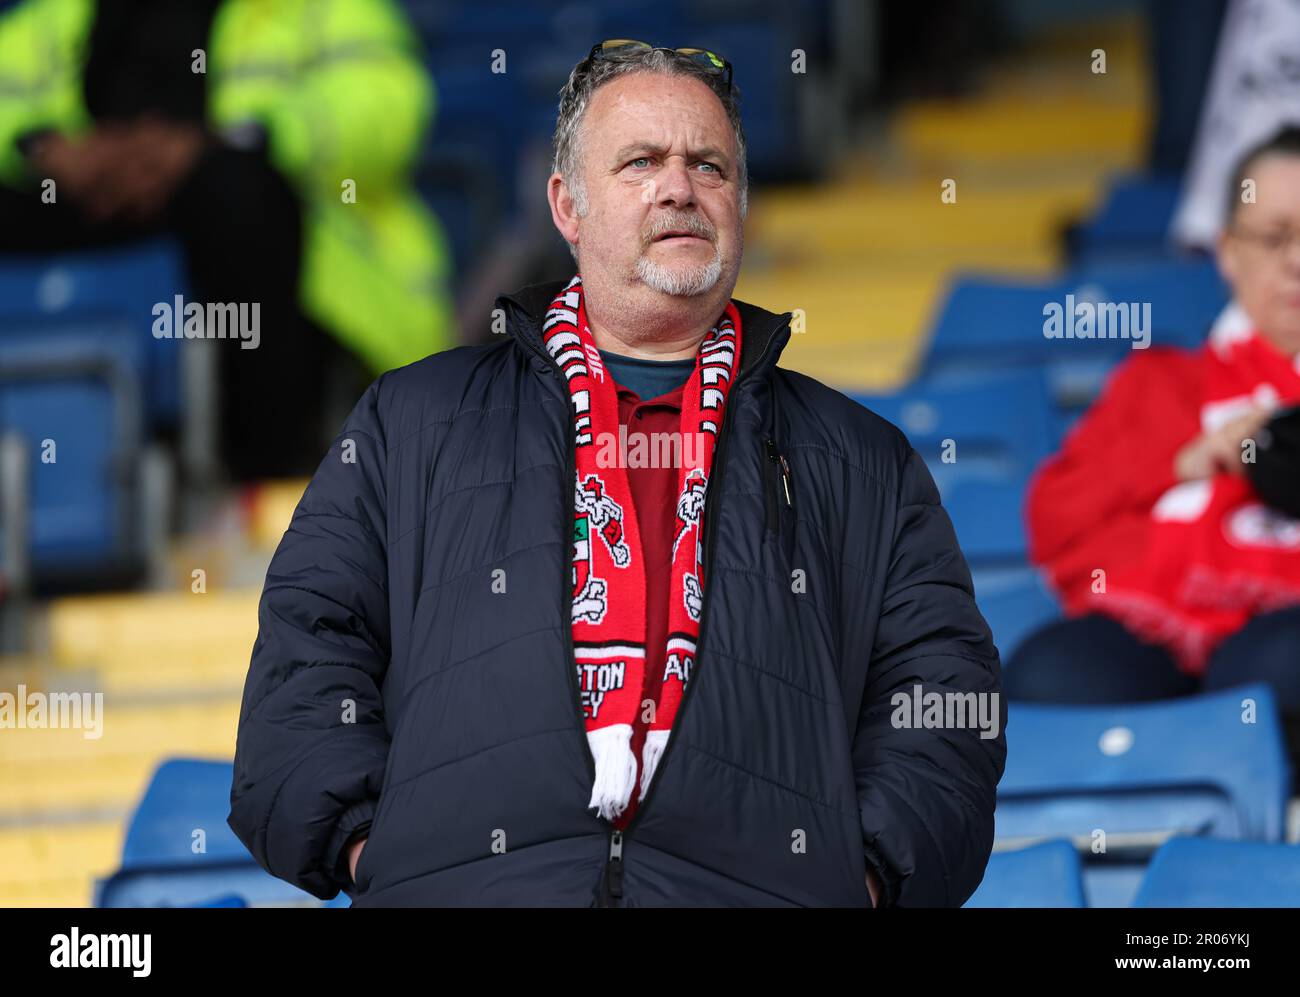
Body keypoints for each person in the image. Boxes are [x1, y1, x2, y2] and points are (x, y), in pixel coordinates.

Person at [228, 41, 1005, 907]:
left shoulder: (860, 457)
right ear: (568, 204)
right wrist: (380, 850)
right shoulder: (411, 422)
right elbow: (305, 650)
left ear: (739, 203)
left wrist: (856, 877)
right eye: (641, 161)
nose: (679, 187)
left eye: (709, 165)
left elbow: (944, 702)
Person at [0, 0, 455, 481]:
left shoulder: (324, 10)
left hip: (290, 257)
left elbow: (389, 108)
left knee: (234, 191)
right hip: (98, 212)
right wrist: (48, 150)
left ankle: (269, 478)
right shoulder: (61, 15)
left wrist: (233, 141)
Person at [1010, 126, 1300, 772]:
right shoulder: (1161, 382)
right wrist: (1182, 463)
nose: (1297, 261)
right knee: (1052, 676)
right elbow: (1057, 518)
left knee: (1276, 672)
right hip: (1153, 632)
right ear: (1228, 251)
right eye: (1275, 237)